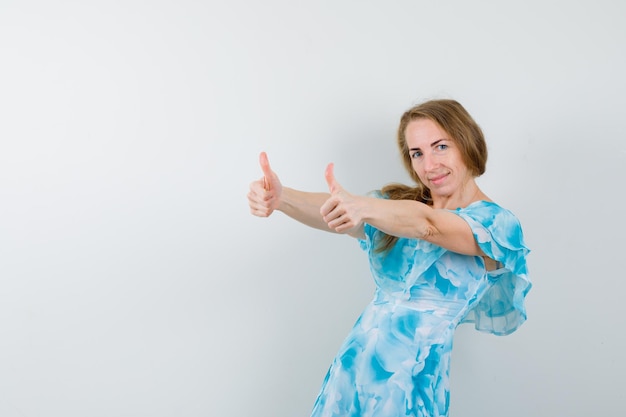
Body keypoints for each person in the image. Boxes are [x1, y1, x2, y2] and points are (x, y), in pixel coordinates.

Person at [247, 99, 531, 417]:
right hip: (351, 376)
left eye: (440, 146)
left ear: (467, 142)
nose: (429, 165)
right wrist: (282, 198)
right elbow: (338, 211)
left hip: (411, 385)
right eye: (417, 153)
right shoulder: (395, 208)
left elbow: (429, 226)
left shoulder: (496, 223)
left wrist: (362, 207)